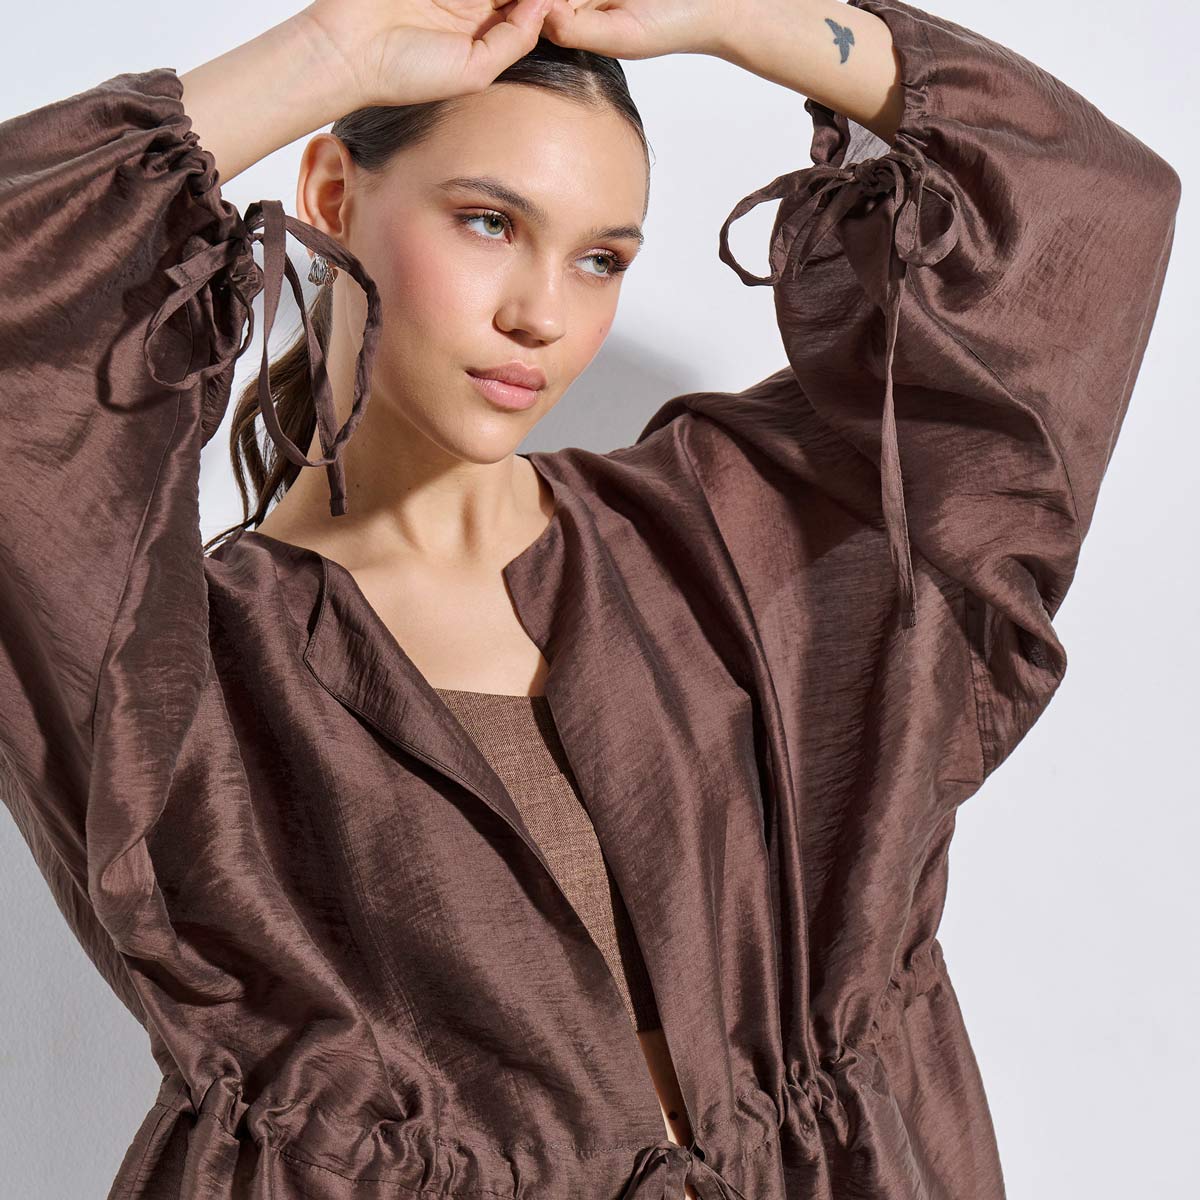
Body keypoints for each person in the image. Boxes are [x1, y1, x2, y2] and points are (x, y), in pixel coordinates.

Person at [0, 0, 1179, 1197]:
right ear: (335, 195)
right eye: (488, 222)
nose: (542, 315)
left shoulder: (740, 539)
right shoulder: (174, 676)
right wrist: (330, 54)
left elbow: (1079, 225)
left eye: (600, 258)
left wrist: (743, 16)